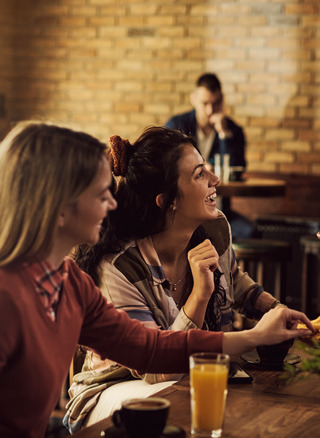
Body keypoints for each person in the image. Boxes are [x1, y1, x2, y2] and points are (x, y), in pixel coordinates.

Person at [0, 122, 312, 438]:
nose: (113, 205)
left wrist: (257, 336)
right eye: (100, 195)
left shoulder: (66, 283)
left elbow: (150, 348)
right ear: (59, 208)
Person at [64, 126, 282, 431]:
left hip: (188, 375)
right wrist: (200, 296)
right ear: (168, 200)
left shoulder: (215, 229)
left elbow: (234, 281)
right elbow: (156, 368)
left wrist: (276, 311)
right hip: (116, 390)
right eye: (199, 174)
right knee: (186, 402)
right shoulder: (120, 268)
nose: (215, 180)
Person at [165, 73, 254, 238]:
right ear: (193, 99)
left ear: (222, 100)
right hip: (184, 210)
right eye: (205, 103)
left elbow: (236, 170)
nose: (210, 110)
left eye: (216, 103)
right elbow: (168, 168)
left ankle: (230, 265)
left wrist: (223, 134)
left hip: (219, 208)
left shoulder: (233, 130)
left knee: (249, 232)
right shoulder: (176, 125)